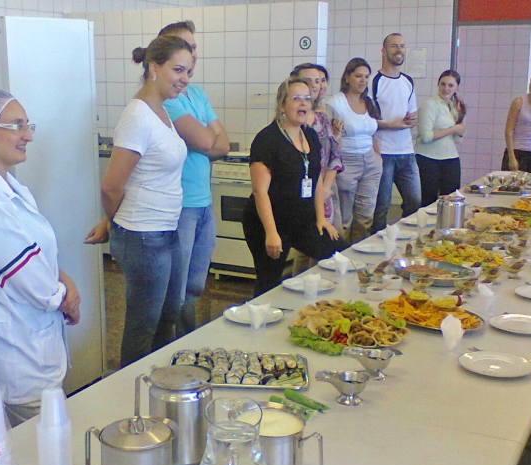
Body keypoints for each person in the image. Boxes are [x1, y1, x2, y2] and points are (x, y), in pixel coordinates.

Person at [0, 90, 81, 427]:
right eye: (16, 126)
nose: (28, 136)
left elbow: (36, 253)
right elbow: (35, 284)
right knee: (40, 446)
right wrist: (66, 297)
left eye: (28, 126)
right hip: (18, 357)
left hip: (32, 343)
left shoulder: (5, 184)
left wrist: (63, 278)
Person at [85, 35, 192, 367]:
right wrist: (113, 223)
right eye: (178, 70)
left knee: (167, 317)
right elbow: (111, 186)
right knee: (143, 326)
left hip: (166, 229)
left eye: (189, 71)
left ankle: (158, 384)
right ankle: (130, 389)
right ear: (154, 67)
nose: (185, 79)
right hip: (143, 235)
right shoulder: (138, 116)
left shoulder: (161, 111)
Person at [242, 76, 345, 296]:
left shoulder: (310, 135)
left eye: (307, 98)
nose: (303, 103)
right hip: (269, 222)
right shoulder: (267, 139)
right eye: (296, 98)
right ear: (282, 105)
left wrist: (321, 219)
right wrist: (271, 233)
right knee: (269, 282)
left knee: (337, 253)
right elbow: (260, 192)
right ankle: (261, 314)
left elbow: (315, 179)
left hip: (302, 220)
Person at [159, 21, 230, 336]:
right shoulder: (168, 98)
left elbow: (223, 144)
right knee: (177, 287)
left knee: (196, 285)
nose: (191, 53)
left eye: (194, 46)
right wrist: (206, 138)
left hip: (203, 203)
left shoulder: (197, 93)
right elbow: (207, 140)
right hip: (180, 204)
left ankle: (185, 339)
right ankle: (176, 346)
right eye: (184, 46)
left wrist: (206, 139)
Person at [326, 57, 383, 243]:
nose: (363, 80)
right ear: (347, 77)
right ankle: (342, 253)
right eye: (358, 76)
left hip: (370, 161)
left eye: (366, 76)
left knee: (365, 216)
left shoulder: (368, 101)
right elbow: (329, 137)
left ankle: (360, 252)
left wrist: (377, 157)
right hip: (346, 161)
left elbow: (372, 132)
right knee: (344, 219)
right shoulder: (336, 102)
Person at [370, 33, 421, 234]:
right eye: (394, 46)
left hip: (407, 152)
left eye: (402, 46)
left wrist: (412, 120)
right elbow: (368, 121)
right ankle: (376, 244)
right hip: (383, 153)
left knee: (414, 201)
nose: (399, 50)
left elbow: (412, 114)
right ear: (384, 51)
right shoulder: (375, 81)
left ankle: (403, 239)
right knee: (381, 206)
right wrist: (392, 125)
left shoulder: (408, 81)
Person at [290, 63, 344, 235]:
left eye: (318, 81)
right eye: (308, 80)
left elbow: (335, 155)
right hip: (298, 195)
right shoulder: (288, 123)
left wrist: (325, 188)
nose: (314, 85)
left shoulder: (323, 118)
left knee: (333, 239)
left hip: (325, 191)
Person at [415, 70, 467, 207]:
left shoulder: (454, 106)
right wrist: (453, 129)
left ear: (457, 87)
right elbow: (426, 136)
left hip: (450, 159)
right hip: (428, 159)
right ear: (438, 85)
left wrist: (461, 120)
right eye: (443, 84)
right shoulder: (429, 104)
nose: (446, 88)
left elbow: (458, 139)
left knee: (451, 202)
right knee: (428, 203)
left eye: (451, 85)